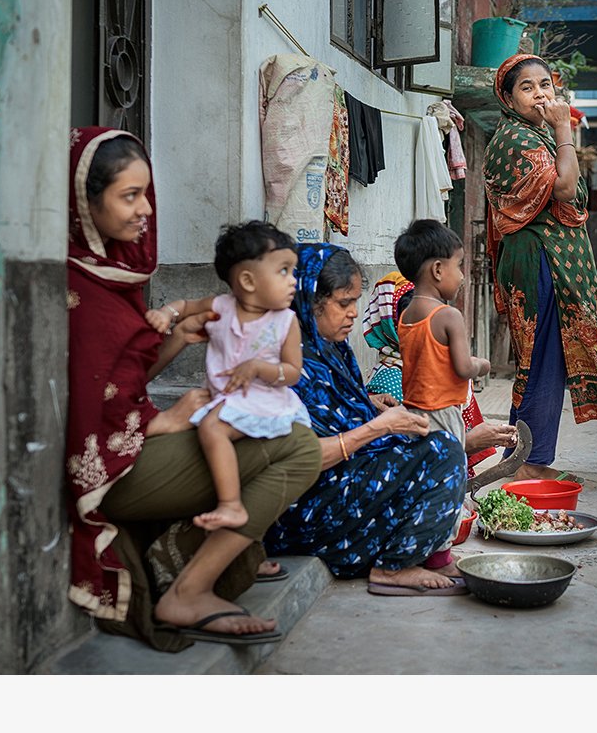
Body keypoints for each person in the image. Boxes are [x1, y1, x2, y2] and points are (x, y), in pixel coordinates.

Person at [63, 127, 321, 648]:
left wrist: (177, 339)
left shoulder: (113, 275)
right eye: (129, 196)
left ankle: (208, 571)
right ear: (84, 202)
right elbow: (81, 405)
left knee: (292, 438)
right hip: (109, 471)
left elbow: (118, 381)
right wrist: (161, 420)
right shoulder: (76, 288)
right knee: (298, 449)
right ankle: (191, 591)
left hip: (131, 447)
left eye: (146, 194)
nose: (145, 211)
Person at [266, 243, 518, 594]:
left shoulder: (331, 351)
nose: (353, 314)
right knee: (443, 450)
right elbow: (302, 458)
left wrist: (368, 405)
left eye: (355, 302)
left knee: (435, 446)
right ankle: (394, 566)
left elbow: (339, 415)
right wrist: (379, 425)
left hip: (340, 482)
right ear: (308, 301)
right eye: (343, 303)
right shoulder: (289, 365)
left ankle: (415, 554)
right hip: (308, 509)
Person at [484, 54, 597, 483]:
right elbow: (567, 186)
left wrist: (558, 133)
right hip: (538, 262)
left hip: (545, 259)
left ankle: (521, 456)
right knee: (542, 360)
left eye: (545, 85)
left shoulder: (537, 137)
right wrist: (563, 128)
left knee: (542, 361)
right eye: (527, 87)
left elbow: (570, 193)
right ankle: (530, 464)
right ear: (508, 97)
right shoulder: (517, 139)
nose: (540, 94)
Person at [144, 221, 310, 532]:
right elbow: (186, 306)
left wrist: (260, 368)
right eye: (284, 271)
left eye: (293, 271)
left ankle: (231, 505)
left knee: (211, 427)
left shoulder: (285, 322)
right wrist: (166, 313)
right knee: (200, 433)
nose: (294, 282)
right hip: (225, 396)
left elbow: (292, 373)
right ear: (247, 280)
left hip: (262, 397)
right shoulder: (221, 307)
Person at [394, 220, 492, 445]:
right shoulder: (448, 315)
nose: (462, 277)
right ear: (438, 270)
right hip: (442, 415)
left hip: (413, 414)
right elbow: (464, 368)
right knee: (448, 471)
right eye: (458, 266)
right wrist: (481, 364)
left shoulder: (406, 315)